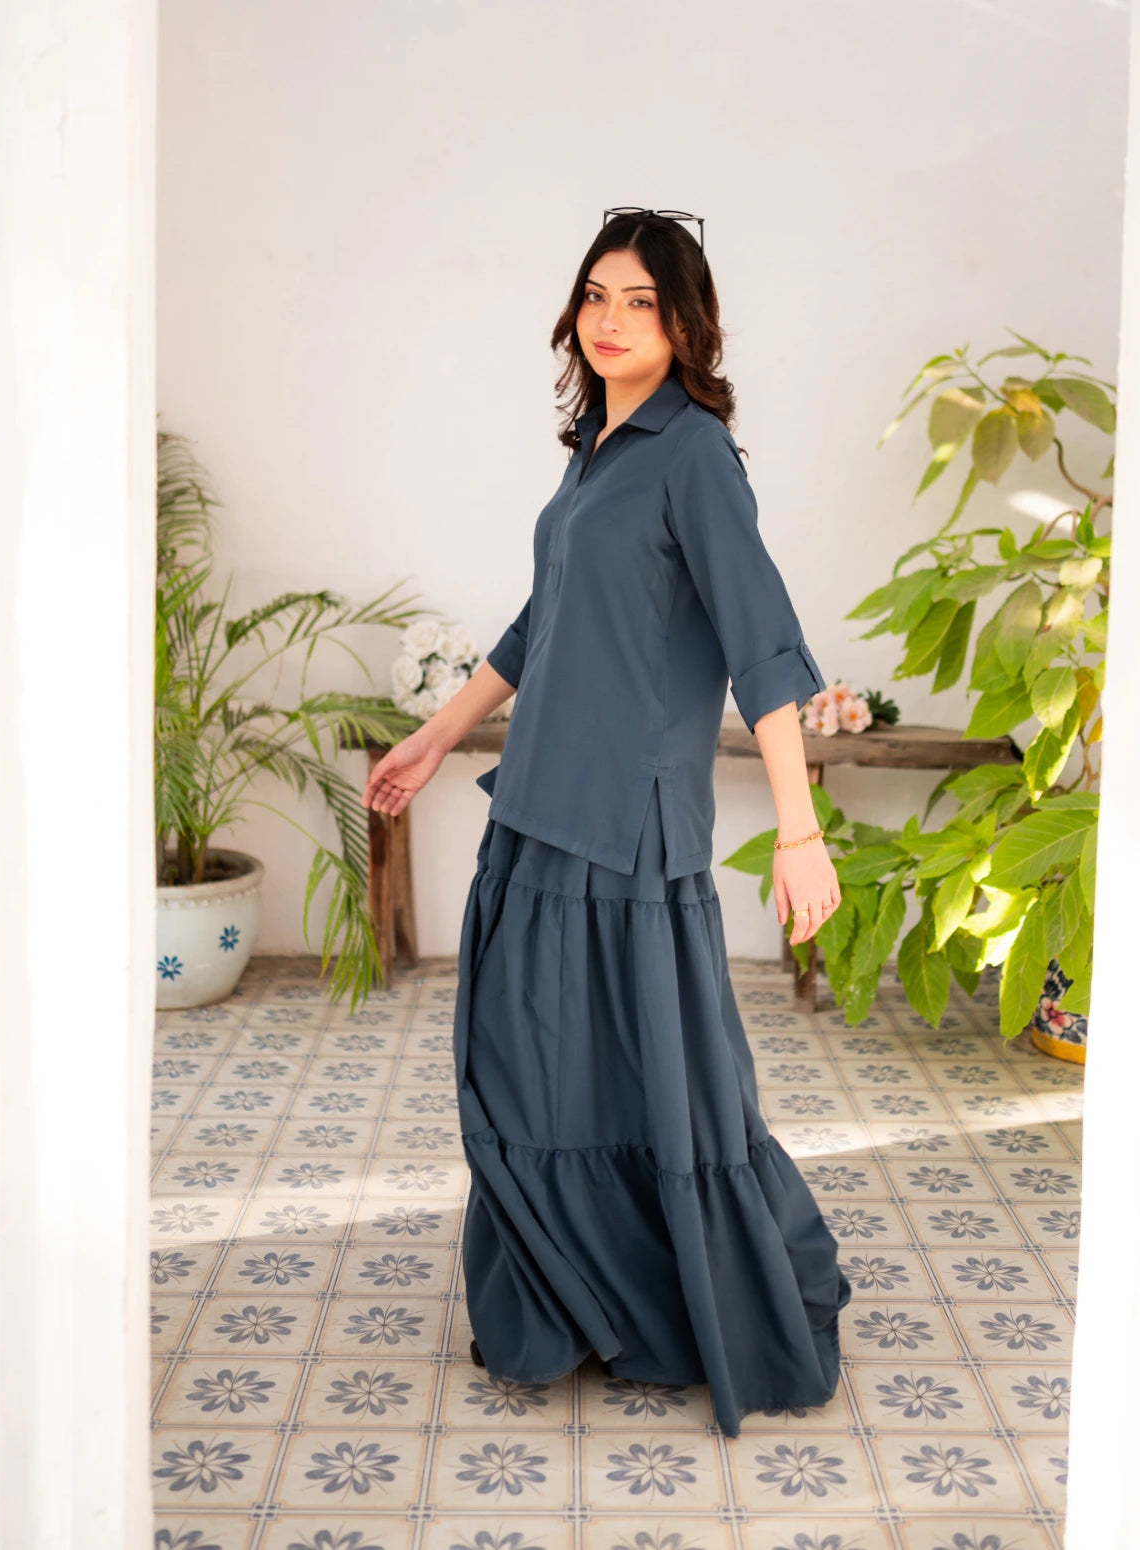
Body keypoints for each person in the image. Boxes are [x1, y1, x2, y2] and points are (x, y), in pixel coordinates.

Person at [361, 208, 851, 1438]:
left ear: (686, 322)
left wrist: (800, 833)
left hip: (628, 831)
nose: (612, 319)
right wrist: (435, 737)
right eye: (595, 296)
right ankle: (561, 1298)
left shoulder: (695, 456)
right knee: (527, 1071)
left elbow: (765, 651)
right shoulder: (597, 447)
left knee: (648, 1093)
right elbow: (545, 619)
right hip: (537, 802)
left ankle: (665, 1297)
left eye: (639, 299)